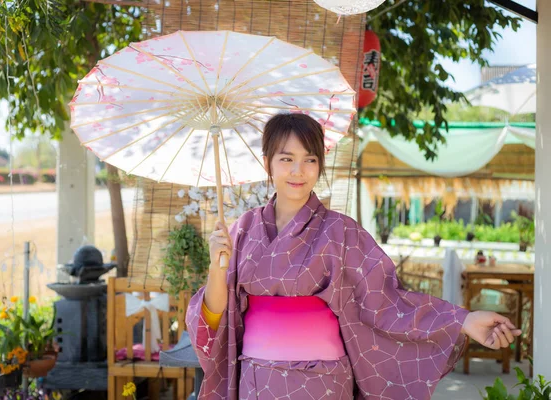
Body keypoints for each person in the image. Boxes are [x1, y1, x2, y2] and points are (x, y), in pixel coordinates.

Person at [185, 113, 521, 399]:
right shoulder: (241, 230)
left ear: (320, 164)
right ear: (267, 163)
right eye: (286, 158)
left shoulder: (342, 232)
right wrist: (218, 267)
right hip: (258, 382)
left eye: (310, 159)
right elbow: (215, 317)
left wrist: (463, 320)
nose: (298, 170)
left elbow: (390, 302)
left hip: (324, 384)